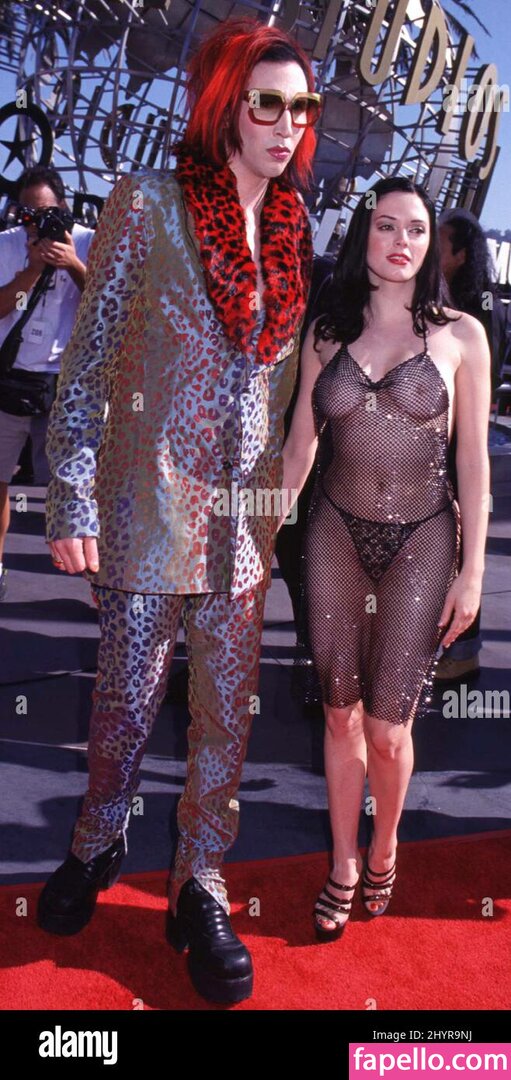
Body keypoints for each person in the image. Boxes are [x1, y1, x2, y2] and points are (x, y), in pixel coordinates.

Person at [37, 18, 319, 1004]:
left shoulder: (293, 230)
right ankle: (95, 840)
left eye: (302, 107)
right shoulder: (147, 204)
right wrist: (71, 493)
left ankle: (199, 880)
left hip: (242, 525)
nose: (286, 124)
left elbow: (283, 392)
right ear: (226, 107)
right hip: (144, 505)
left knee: (224, 720)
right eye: (267, 103)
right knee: (123, 705)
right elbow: (89, 360)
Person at [279, 178, 490, 940]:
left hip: (421, 543)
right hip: (333, 537)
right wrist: (257, 532)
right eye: (387, 226)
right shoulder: (326, 332)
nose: (402, 241)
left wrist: (472, 572)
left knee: (386, 729)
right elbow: (299, 448)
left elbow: (473, 463)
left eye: (417, 229)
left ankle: (386, 844)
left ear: (431, 245)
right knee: (339, 717)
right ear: (363, 235)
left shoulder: (461, 336)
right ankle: (342, 860)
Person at [0, 165, 93, 601]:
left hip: (68, 386)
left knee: (80, 488)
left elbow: (109, 306)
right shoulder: (7, 245)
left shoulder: (90, 242)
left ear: (65, 209)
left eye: (48, 214)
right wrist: (33, 269)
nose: (37, 224)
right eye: (28, 215)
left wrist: (72, 263)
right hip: (10, 379)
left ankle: (101, 581)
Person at [435, 207, 511, 680]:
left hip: (457, 444)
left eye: (439, 244)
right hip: (458, 440)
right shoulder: (478, 304)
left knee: (460, 550)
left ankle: (459, 654)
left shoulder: (473, 312)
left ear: (461, 254)